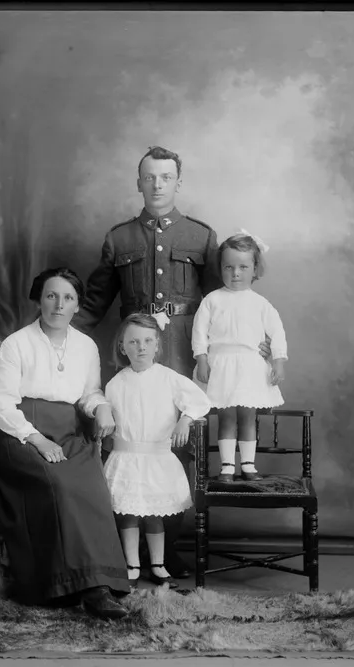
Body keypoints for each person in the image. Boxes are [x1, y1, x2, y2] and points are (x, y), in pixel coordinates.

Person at [72, 145, 220, 578]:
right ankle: (129, 552)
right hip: (135, 361)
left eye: (166, 177)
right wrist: (52, 335)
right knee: (131, 450)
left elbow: (218, 306)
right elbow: (95, 302)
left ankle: (168, 550)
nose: (157, 185)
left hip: (181, 357)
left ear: (178, 182)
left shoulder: (200, 237)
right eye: (149, 177)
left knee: (178, 451)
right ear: (139, 183)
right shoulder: (120, 239)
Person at [0, 267, 130, 620]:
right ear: (39, 299)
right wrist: (35, 439)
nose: (58, 304)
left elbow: (89, 394)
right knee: (60, 483)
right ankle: (66, 584)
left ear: (77, 305)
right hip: (20, 434)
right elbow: (1, 405)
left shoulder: (85, 346)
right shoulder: (16, 344)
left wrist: (103, 408)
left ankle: (99, 585)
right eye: (51, 296)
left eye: (67, 298)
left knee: (93, 485)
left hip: (67, 430)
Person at [103, 314, 211, 588]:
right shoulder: (116, 384)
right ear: (122, 347)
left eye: (147, 341)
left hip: (157, 458)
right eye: (133, 341)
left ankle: (158, 563)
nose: (141, 347)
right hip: (126, 457)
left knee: (154, 514)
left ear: (156, 346)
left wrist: (185, 419)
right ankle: (132, 564)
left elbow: (199, 400)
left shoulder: (169, 378)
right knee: (128, 512)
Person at [192, 231, 288, 482]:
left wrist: (278, 362)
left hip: (249, 367)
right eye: (228, 267)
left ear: (255, 268)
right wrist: (202, 359)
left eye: (243, 267)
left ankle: (247, 465)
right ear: (220, 268)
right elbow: (199, 333)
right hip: (221, 365)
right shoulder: (212, 300)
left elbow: (277, 334)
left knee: (247, 416)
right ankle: (226, 467)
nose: (235, 273)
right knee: (226, 416)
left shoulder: (261, 304)